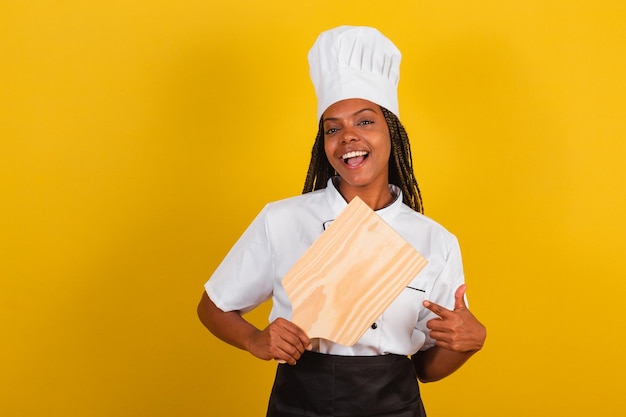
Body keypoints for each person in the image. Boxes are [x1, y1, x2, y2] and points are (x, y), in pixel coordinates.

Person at [197, 25, 486, 417]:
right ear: (324, 143)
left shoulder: (434, 240)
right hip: (299, 402)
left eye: (365, 122)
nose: (347, 137)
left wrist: (467, 342)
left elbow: (427, 370)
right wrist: (255, 341)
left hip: (393, 405)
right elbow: (213, 306)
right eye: (333, 128)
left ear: (392, 134)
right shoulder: (283, 219)